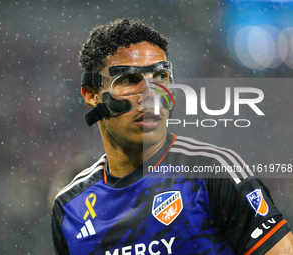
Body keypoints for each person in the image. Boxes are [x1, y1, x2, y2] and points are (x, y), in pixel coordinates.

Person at [51, 18, 293, 255]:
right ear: (92, 95)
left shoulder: (214, 173)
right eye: (128, 80)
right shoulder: (69, 208)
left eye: (160, 78)